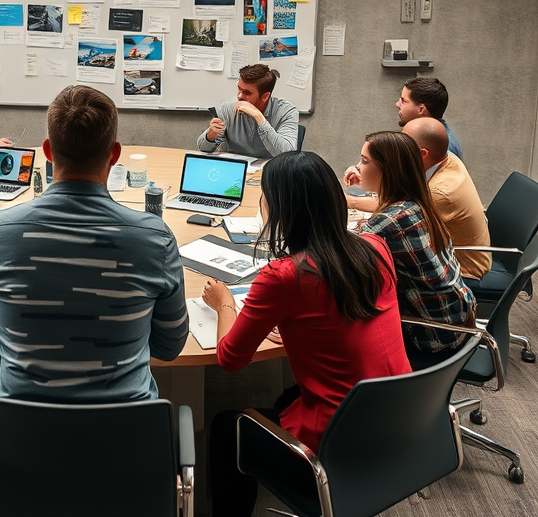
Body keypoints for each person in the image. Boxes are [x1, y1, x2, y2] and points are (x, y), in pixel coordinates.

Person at [203, 151, 412, 517]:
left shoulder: (283, 276)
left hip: (339, 447)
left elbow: (229, 359)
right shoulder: (375, 247)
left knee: (225, 426)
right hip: (400, 423)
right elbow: (346, 314)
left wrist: (224, 303)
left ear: (279, 208)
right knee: (286, 396)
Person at [0, 84, 188, 403]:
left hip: (19, 432)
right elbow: (169, 347)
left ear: (47, 151)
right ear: (115, 154)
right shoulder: (155, 239)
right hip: (127, 436)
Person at [353, 131, 475, 368]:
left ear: (388, 170)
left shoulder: (389, 222)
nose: (358, 167)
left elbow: (340, 260)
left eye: (364, 161)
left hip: (430, 335)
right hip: (456, 318)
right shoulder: (416, 203)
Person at [344, 118, 490, 283]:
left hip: (463, 270)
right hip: (443, 265)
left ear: (422, 154)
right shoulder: (443, 159)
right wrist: (369, 175)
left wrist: (351, 200)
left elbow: (391, 215)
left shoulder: (439, 191)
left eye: (404, 145)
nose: (397, 148)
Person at [197, 63, 299, 158]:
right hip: (238, 170)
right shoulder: (228, 108)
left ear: (265, 97)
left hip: (271, 172)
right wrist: (211, 135)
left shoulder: (286, 111)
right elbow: (203, 148)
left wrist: (259, 117)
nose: (240, 96)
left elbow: (287, 154)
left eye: (247, 92)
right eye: (239, 89)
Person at [396, 76, 462, 159]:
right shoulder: (427, 139)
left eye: (403, 101)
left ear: (421, 109)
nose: (397, 105)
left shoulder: (443, 148)